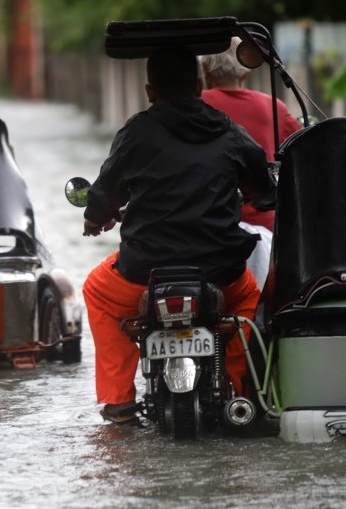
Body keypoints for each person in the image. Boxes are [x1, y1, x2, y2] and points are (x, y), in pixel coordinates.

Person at [81, 46, 277, 424]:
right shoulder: (228, 131)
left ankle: (119, 401)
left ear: (150, 91)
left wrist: (96, 219)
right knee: (247, 299)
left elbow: (105, 192)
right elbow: (265, 190)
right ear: (200, 85)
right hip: (220, 271)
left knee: (97, 291)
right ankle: (239, 388)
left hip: (144, 273)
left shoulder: (136, 132)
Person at [200, 37, 304, 290]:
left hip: (201, 226)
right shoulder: (272, 107)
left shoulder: (193, 106)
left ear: (205, 72)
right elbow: (305, 149)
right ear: (245, 73)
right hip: (263, 229)